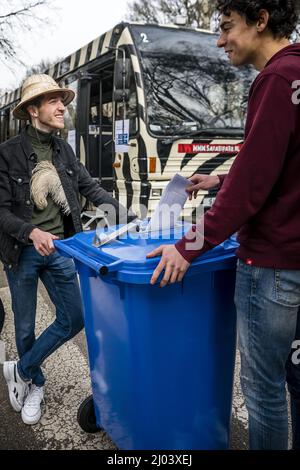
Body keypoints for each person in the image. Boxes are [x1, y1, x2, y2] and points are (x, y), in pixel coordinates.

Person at [147, 0, 300, 450]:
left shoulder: (275, 78)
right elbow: (277, 164)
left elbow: (253, 184)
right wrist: (217, 177)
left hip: (270, 267)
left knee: (263, 389)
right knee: (296, 378)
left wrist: (189, 244)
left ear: (261, 19)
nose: (219, 39)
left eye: (227, 26)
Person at [0, 74, 133, 425]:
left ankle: (23, 369)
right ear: (32, 110)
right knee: (25, 327)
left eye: (63, 100)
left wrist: (133, 218)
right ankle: (36, 384)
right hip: (22, 252)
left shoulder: (64, 150)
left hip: (61, 248)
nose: (63, 107)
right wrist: (31, 232)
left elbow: (91, 188)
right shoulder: (7, 154)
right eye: (53, 101)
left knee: (75, 317)